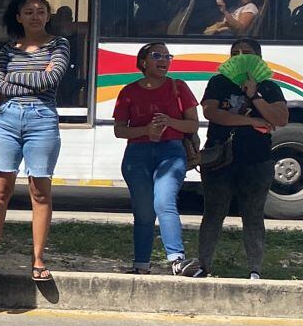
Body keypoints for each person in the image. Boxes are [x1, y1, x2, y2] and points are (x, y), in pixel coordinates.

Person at [0, 0, 70, 284]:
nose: (35, 16)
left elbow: (51, 80)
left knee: (40, 190)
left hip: (42, 119)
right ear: (19, 17)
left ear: (47, 15)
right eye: (28, 11)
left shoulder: (59, 45)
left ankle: (39, 259)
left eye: (40, 11)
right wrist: (27, 81)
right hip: (7, 119)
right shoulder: (7, 48)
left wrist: (12, 79)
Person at [196, 38, 288, 279]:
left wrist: (255, 95)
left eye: (245, 53)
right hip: (219, 157)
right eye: (234, 53)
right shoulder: (218, 82)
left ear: (257, 58)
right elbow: (212, 113)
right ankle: (203, 265)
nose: (239, 56)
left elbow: (280, 118)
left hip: (257, 160)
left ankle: (255, 269)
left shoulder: (269, 87)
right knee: (213, 213)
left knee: (253, 215)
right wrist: (252, 120)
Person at [112, 42, 201, 275]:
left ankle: (177, 259)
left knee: (164, 202)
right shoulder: (128, 92)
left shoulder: (178, 87)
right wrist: (146, 130)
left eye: (167, 56)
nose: (164, 60)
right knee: (143, 212)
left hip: (171, 152)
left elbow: (193, 124)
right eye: (157, 55)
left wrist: (170, 122)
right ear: (143, 62)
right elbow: (119, 130)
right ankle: (141, 264)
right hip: (137, 155)